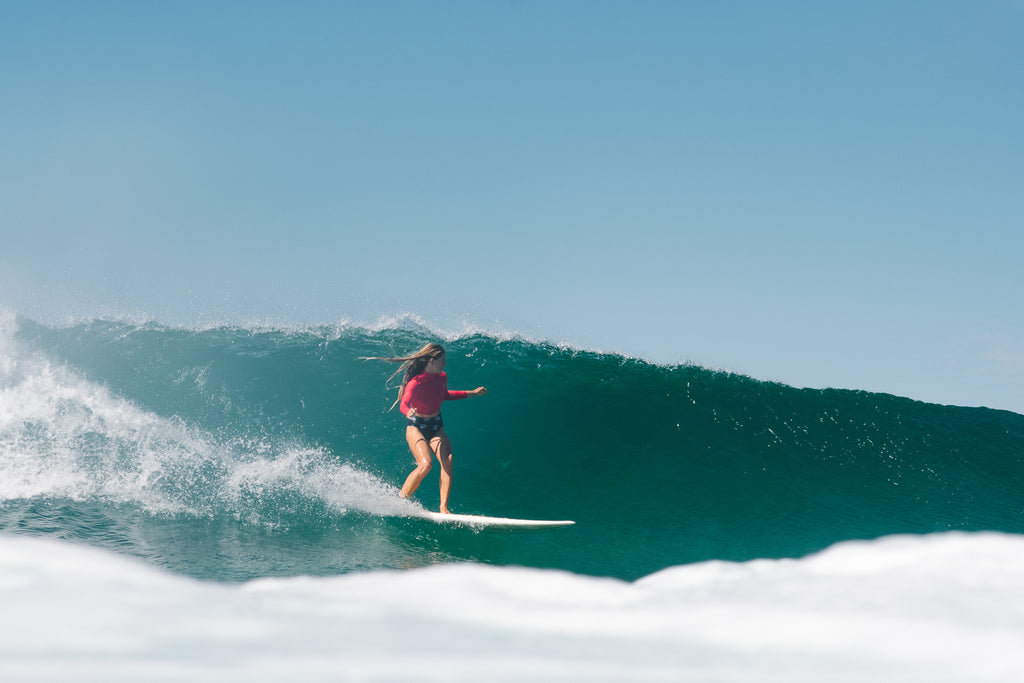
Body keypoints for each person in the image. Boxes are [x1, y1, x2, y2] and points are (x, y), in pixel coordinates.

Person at [365, 343, 486, 513]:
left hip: (436, 425)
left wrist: (472, 393)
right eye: (442, 360)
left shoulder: (442, 377)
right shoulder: (415, 382)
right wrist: (408, 412)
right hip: (416, 426)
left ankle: (443, 508)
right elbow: (404, 404)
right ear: (431, 360)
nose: (445, 364)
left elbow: (444, 395)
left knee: (448, 461)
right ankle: (400, 501)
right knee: (425, 465)